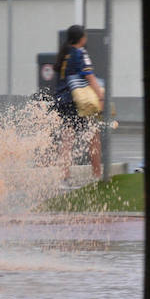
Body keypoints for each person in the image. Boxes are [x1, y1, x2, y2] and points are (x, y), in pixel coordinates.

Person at [52, 24, 104, 182]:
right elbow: (89, 76)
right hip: (77, 101)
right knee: (93, 136)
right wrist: (101, 97)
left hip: (63, 100)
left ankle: (64, 176)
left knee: (67, 138)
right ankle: (97, 175)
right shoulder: (81, 53)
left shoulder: (65, 53)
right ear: (82, 39)